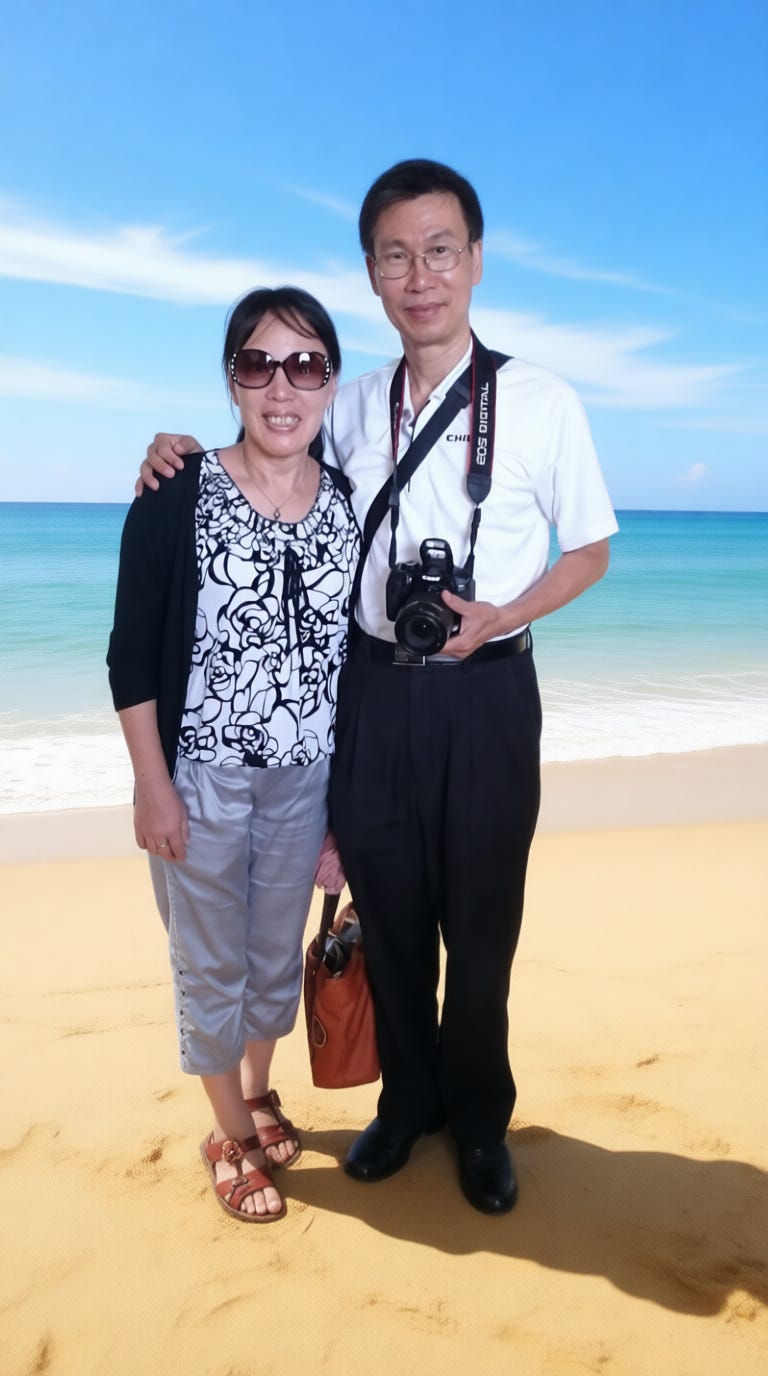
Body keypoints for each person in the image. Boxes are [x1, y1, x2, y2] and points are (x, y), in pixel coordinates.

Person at [138, 159, 618, 1215]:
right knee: (389, 911)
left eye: (440, 250)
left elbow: (590, 549)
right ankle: (406, 1103)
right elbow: (261, 454)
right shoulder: (347, 402)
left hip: (489, 692)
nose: (420, 275)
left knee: (482, 925)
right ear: (371, 272)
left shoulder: (541, 399)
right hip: (371, 693)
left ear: (476, 260)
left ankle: (479, 1119)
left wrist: (505, 611)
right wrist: (172, 452)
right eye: (396, 256)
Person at [108, 286, 359, 1222]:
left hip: (305, 781)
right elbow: (130, 654)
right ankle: (228, 1135)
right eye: (258, 364)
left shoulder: (350, 503)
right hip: (202, 777)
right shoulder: (176, 493)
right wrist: (153, 787)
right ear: (232, 379)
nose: (281, 387)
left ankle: (255, 1091)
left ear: (330, 383)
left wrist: (346, 804)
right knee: (210, 961)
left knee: (270, 956)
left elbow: (354, 660)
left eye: (305, 365)